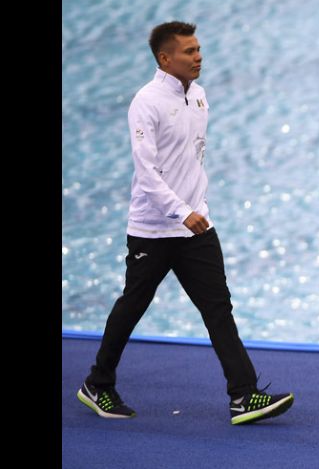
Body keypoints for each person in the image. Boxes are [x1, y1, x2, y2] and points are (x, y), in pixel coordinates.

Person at [76, 21, 294, 425]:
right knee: (132, 306)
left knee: (218, 308)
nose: (198, 57)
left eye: (198, 49)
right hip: (154, 229)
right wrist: (182, 211)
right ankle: (97, 383)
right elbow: (147, 171)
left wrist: (200, 207)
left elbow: (193, 160)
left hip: (196, 227)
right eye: (189, 52)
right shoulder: (147, 101)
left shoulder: (199, 96)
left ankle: (243, 396)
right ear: (165, 58)